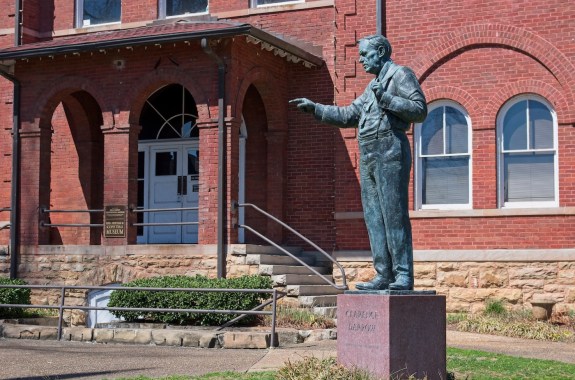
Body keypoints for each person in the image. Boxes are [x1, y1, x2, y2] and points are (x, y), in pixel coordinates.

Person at [290, 34, 427, 290]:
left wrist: (386, 99)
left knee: (393, 215)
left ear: (382, 51)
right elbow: (349, 114)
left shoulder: (399, 75)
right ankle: (383, 274)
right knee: (374, 217)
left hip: (390, 149)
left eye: (365, 54)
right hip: (368, 152)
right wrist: (317, 109)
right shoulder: (371, 86)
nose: (361, 59)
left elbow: (419, 110)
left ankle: (403, 275)